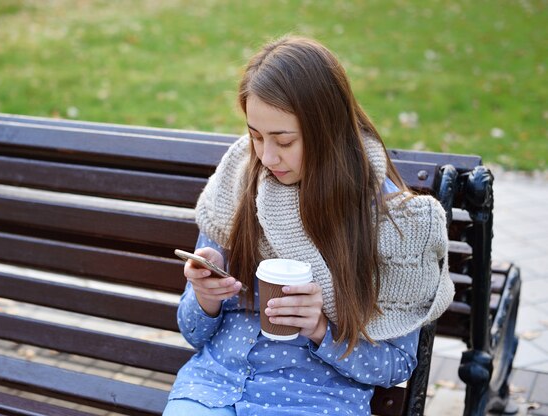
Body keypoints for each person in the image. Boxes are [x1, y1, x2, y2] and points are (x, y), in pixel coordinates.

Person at [163, 36, 454, 416]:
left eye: (284, 140)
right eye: (255, 136)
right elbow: (193, 333)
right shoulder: (237, 183)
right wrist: (206, 298)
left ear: (327, 130)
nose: (267, 156)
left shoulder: (395, 223)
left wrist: (320, 328)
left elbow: (395, 366)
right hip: (211, 391)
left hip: (314, 402)